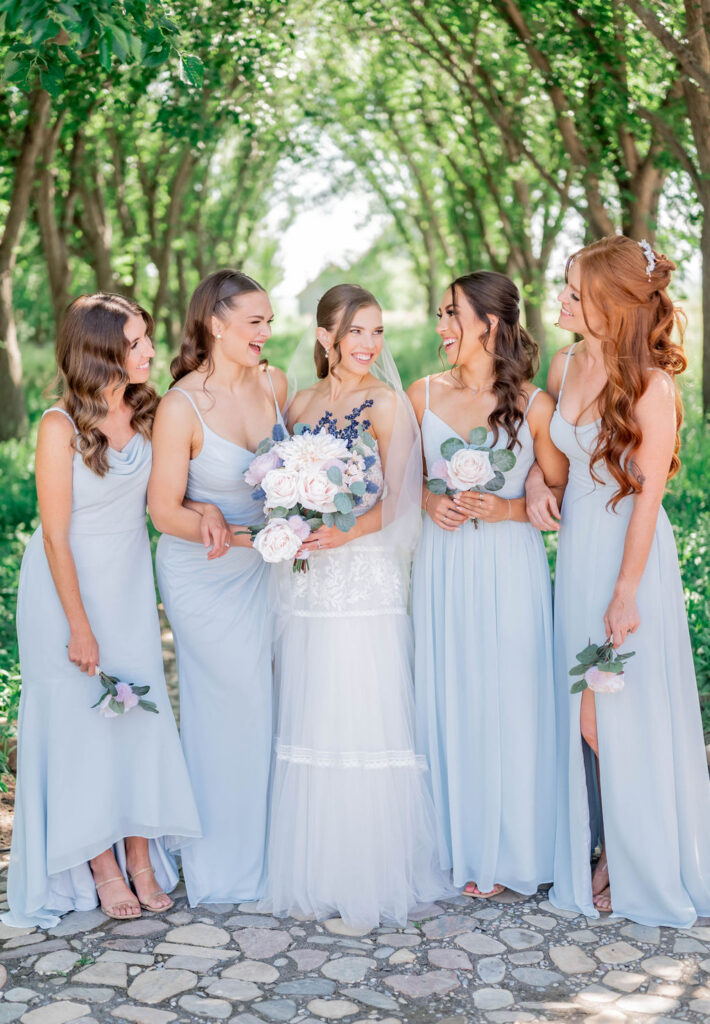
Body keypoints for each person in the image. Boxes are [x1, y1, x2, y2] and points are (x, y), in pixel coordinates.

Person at [527, 235, 710, 926]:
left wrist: (627, 590)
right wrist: (542, 492)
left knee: (606, 716)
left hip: (629, 562)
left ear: (610, 303)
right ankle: (603, 849)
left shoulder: (653, 386)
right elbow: (557, 466)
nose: (564, 300)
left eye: (575, 291)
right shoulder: (564, 361)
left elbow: (648, 497)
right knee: (588, 714)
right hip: (576, 553)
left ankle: (633, 861)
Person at [4, 293, 201, 928]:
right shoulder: (58, 425)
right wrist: (79, 626)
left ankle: (140, 857)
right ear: (101, 351)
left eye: (147, 337)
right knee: (82, 726)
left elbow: (165, 504)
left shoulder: (149, 415)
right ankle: (101, 865)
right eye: (137, 340)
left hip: (127, 589)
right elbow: (56, 536)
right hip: (66, 594)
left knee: (138, 718)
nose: (149, 349)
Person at [261, 284, 452, 929]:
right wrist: (291, 519)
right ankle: (315, 867)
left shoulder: (389, 402)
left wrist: (342, 532)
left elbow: (400, 499)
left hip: (364, 572)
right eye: (356, 333)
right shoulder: (300, 401)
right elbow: (278, 478)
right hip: (308, 574)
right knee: (313, 702)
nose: (369, 345)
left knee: (362, 704)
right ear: (326, 338)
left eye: (376, 332)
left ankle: (371, 868)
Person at [408, 272, 567, 900]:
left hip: (508, 569)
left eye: (452, 315)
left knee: (509, 697)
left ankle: (509, 849)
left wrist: (522, 494)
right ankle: (455, 843)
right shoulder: (419, 395)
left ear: (489, 325)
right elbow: (395, 484)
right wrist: (426, 499)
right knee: (450, 689)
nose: (442, 327)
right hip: (443, 569)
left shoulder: (534, 406)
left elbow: (563, 494)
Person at [149, 269, 286, 906]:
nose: (266, 331)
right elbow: (163, 511)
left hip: (270, 569)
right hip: (204, 574)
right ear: (217, 324)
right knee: (232, 701)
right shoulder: (181, 406)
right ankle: (225, 857)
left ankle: (277, 843)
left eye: (268, 320)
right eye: (255, 321)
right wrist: (234, 534)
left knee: (275, 698)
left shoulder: (276, 384)